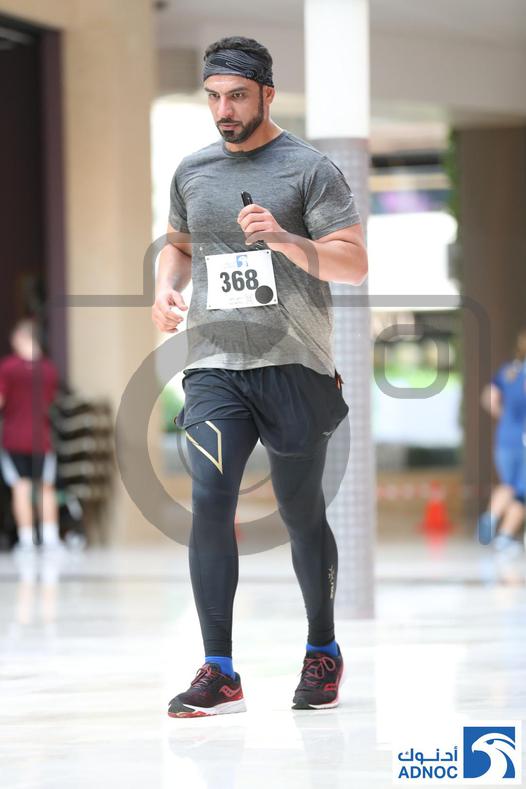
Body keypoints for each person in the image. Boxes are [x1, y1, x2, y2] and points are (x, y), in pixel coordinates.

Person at [152, 36, 367, 718]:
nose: (225, 110)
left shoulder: (311, 169)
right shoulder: (193, 171)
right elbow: (179, 246)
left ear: (267, 94)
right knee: (210, 500)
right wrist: (164, 286)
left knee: (301, 512)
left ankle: (322, 649)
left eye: (238, 96)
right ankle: (219, 669)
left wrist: (283, 239)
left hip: (297, 367)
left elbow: (353, 262)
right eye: (214, 97)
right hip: (216, 365)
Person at [0, 319, 60, 551]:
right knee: (46, 487)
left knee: (21, 488)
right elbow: (50, 402)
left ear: (21, 338)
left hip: (14, 439)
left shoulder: (8, 368)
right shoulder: (49, 370)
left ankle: (26, 541)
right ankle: (51, 539)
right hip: (42, 439)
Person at [478, 328, 526, 556]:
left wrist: (505, 417)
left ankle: (490, 517)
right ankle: (506, 536)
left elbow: (488, 398)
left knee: (508, 484)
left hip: (505, 438)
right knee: (522, 493)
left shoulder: (508, 371)